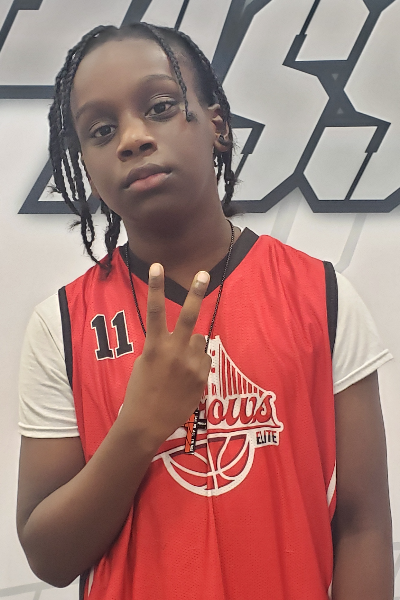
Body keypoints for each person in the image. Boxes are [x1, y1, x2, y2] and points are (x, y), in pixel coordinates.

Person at [16, 22, 394, 600]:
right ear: (87, 165)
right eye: (101, 130)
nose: (132, 138)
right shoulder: (62, 324)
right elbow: (48, 557)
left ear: (217, 125)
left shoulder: (321, 294)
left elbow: (363, 526)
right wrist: (139, 426)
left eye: (160, 107)